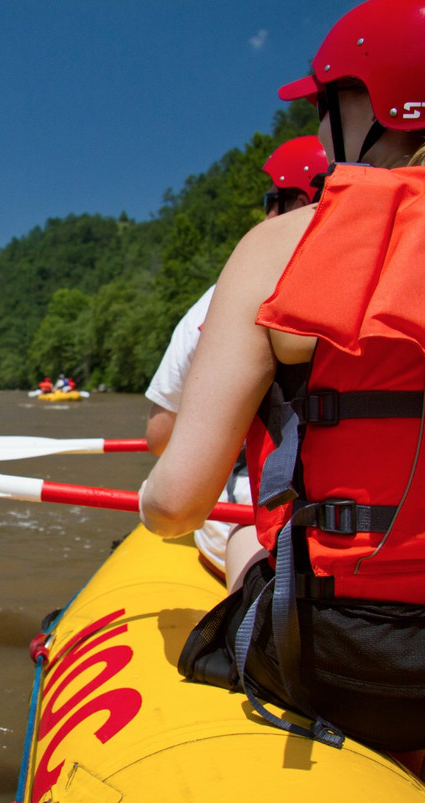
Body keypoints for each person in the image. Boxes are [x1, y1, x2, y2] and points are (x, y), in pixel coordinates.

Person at [140, 0, 425, 753]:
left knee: (235, 545)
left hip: (347, 662)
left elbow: (174, 505)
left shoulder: (283, 245)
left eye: (331, 104)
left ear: (377, 103)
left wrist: (154, 504)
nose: (324, 133)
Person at [145, 136, 328, 589]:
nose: (266, 215)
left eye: (272, 200)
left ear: (298, 202)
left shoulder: (229, 293)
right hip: (392, 521)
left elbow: (160, 437)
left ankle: (250, 635)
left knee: (248, 529)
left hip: (262, 517)